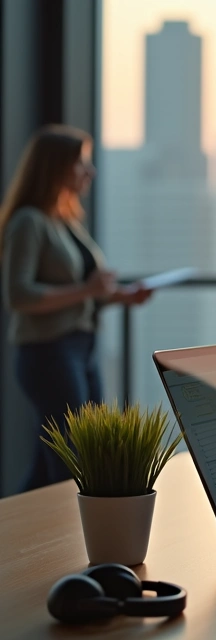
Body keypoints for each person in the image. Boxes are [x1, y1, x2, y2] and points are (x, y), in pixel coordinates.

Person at [1, 125, 152, 492]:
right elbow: (18, 295)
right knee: (72, 463)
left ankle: (14, 541)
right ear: (56, 167)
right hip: (49, 351)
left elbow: (85, 293)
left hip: (80, 350)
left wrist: (120, 295)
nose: (90, 171)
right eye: (82, 162)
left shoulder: (67, 221)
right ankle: (67, 545)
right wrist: (86, 289)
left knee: (50, 465)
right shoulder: (29, 222)